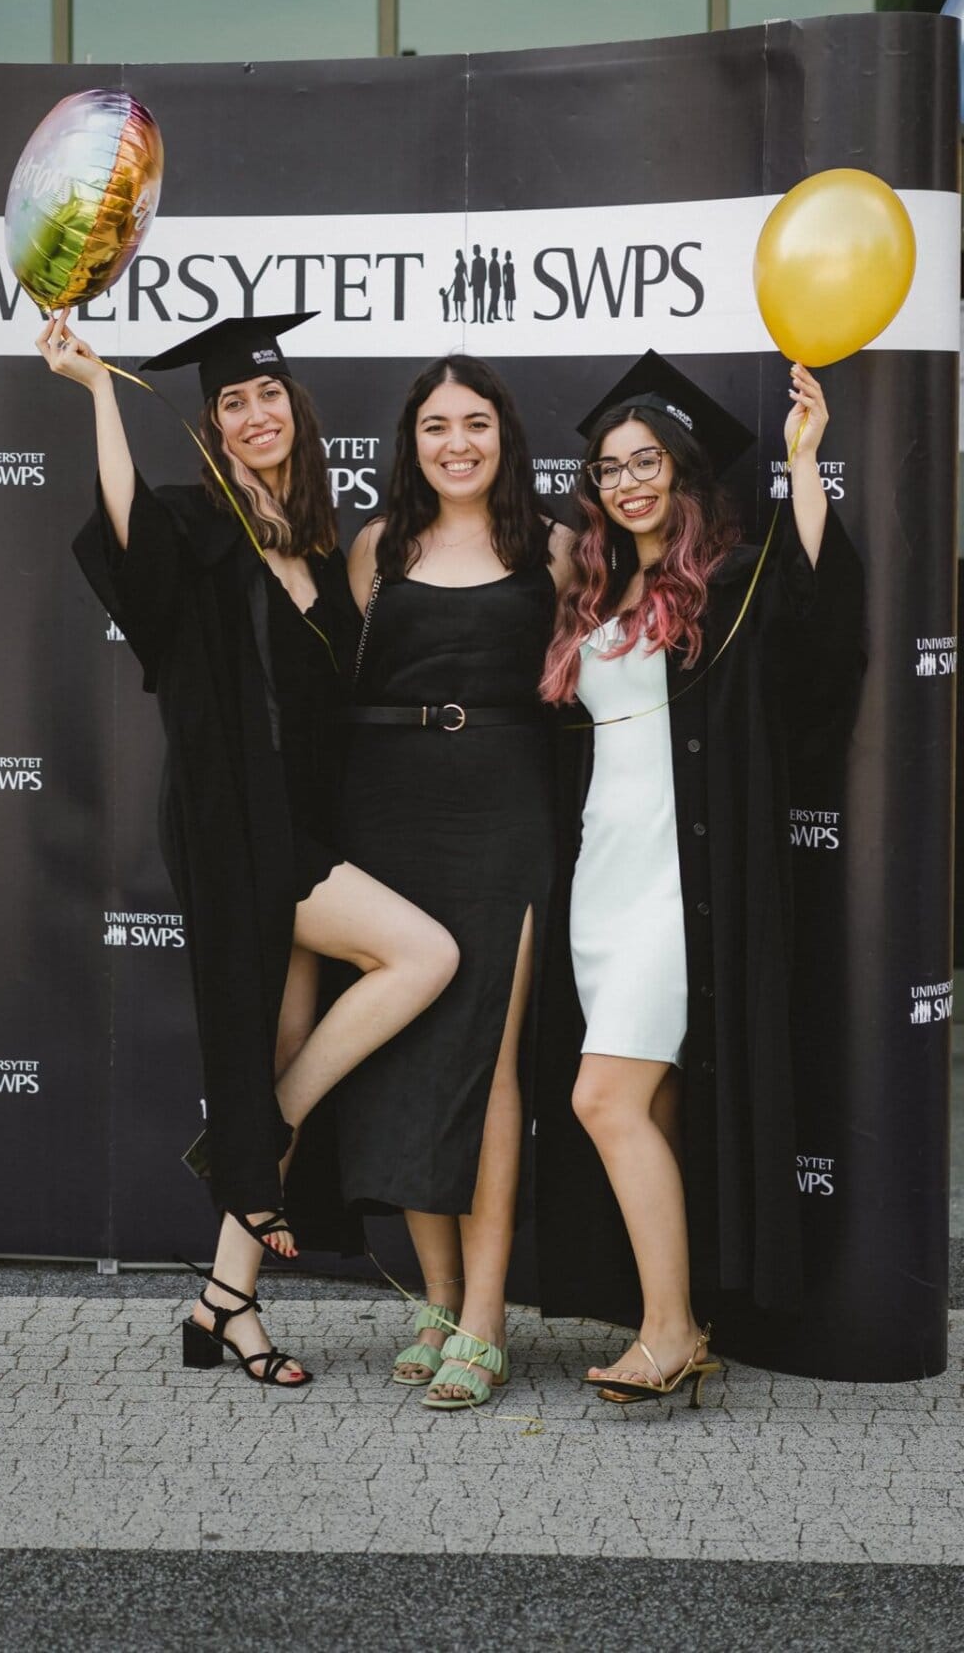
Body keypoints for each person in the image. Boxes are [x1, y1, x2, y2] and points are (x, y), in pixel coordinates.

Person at [42, 308, 458, 1389]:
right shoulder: (197, 526)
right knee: (423, 955)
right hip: (234, 823)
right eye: (233, 401)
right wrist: (97, 394)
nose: (255, 411)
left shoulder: (319, 544)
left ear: (295, 410)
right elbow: (128, 549)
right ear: (215, 429)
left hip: (305, 822)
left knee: (282, 1056)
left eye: (268, 394)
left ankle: (223, 1303)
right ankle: (253, 1135)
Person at [537, 350, 864, 1405]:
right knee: (654, 1110)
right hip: (603, 880)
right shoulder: (596, 585)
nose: (627, 480)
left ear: (681, 472)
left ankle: (671, 1332)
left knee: (605, 1098)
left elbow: (821, 640)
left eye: (646, 462)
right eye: (608, 466)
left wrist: (806, 465)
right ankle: (673, 1315)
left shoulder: (727, 580)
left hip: (681, 887)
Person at [338, 354, 571, 1410]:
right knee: (413, 1055)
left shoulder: (556, 551)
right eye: (436, 426)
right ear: (413, 442)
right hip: (391, 814)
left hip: (507, 810)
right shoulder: (377, 548)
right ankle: (435, 1302)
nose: (457, 442)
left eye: (475, 422)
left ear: (504, 436)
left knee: (490, 1057)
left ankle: (487, 1319)